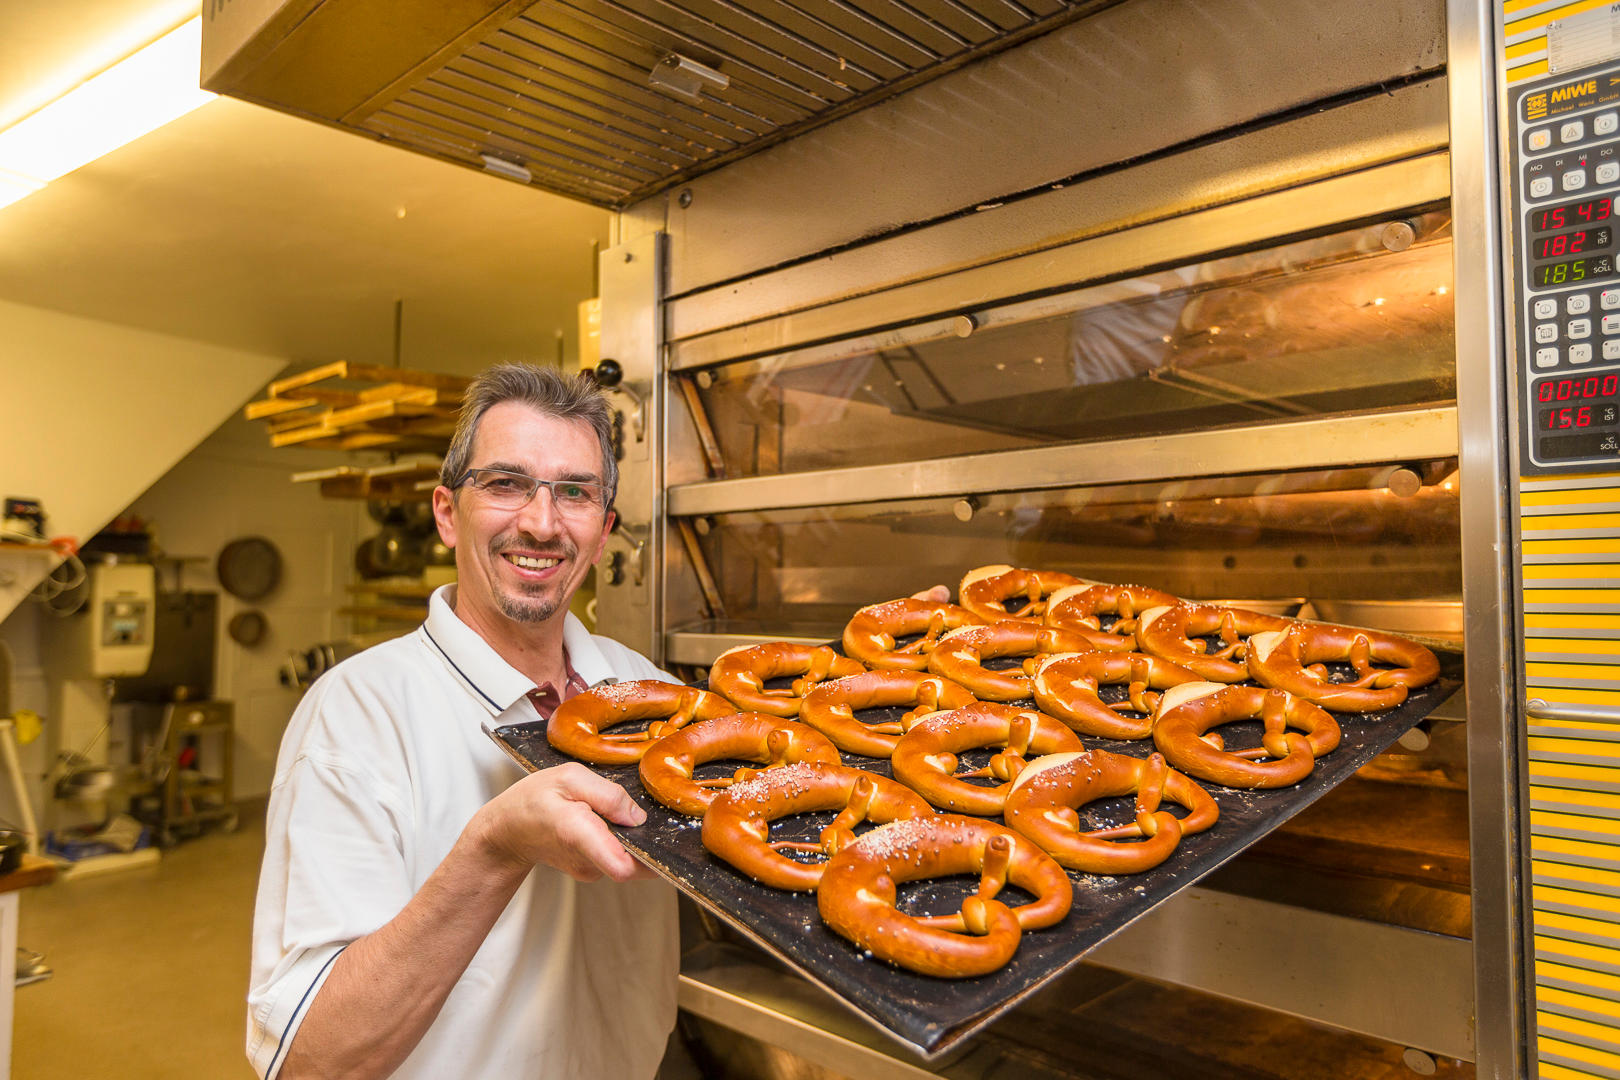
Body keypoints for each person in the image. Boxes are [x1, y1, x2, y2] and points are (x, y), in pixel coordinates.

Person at [247, 363, 679, 1080]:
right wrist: (495, 849)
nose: (541, 523)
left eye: (575, 492)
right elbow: (314, 1062)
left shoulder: (649, 692)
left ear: (604, 532)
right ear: (447, 513)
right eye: (506, 483)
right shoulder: (357, 716)